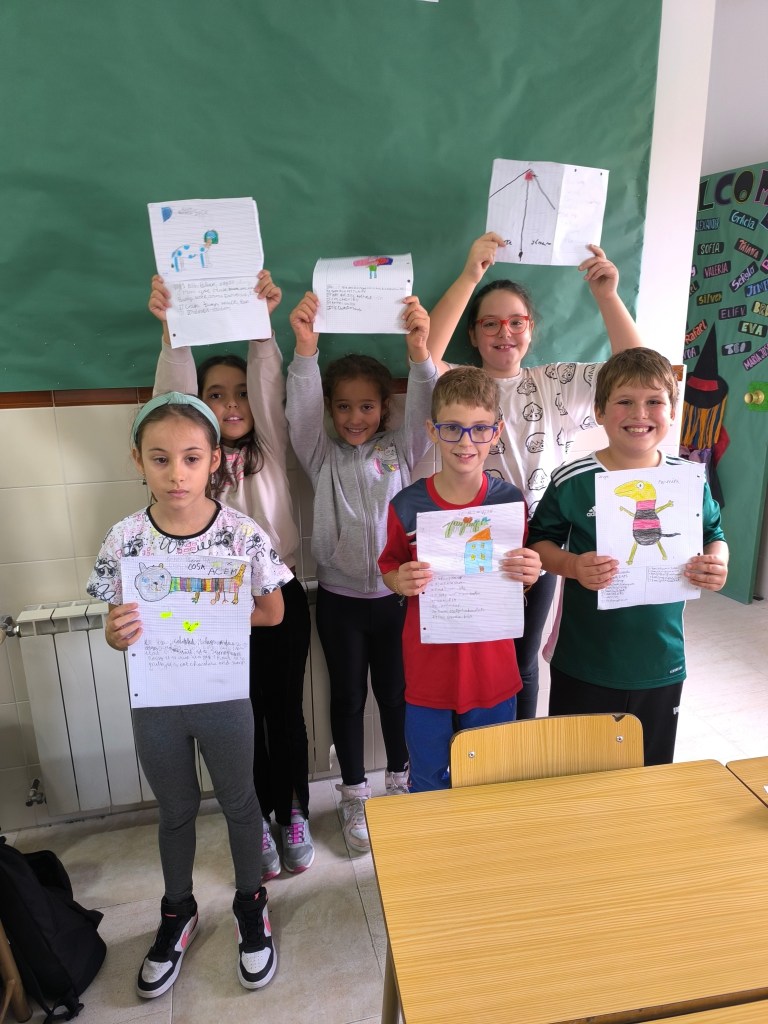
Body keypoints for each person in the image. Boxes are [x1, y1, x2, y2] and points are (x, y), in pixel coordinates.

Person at [86, 392, 292, 996]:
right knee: (174, 810)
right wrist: (117, 633)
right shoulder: (124, 539)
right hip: (157, 701)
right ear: (138, 460)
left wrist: (212, 616)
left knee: (239, 802)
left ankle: (251, 905)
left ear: (214, 462)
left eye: (191, 458)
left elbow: (274, 611)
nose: (176, 474)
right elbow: (115, 626)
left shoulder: (241, 535)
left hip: (222, 695)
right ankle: (178, 909)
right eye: (160, 459)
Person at [426, 233, 644, 719]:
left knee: (523, 663)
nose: (504, 332)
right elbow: (423, 351)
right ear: (473, 334)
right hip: (472, 541)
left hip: (539, 546)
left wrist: (607, 296)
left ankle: (520, 748)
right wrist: (470, 275)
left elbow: (636, 369)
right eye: (490, 323)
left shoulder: (555, 383)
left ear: (531, 328)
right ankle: (477, 746)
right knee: (475, 659)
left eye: (516, 321)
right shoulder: (460, 384)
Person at [149, 271, 313, 878]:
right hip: (211, 605)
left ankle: (291, 811)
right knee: (237, 719)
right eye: (216, 395)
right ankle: (256, 819)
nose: (233, 403)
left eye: (240, 392)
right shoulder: (195, 462)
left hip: (279, 596)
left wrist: (262, 326)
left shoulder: (270, 442)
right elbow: (175, 397)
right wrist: (173, 329)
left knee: (284, 714)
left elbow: (268, 384)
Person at [286, 290, 437, 851]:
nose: (355, 417)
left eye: (367, 406)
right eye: (344, 407)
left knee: (396, 695)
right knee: (347, 698)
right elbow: (302, 412)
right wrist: (306, 351)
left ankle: (399, 781)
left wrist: (419, 353)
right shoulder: (320, 454)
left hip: (397, 600)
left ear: (384, 409)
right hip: (341, 602)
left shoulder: (402, 449)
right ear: (331, 410)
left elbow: (423, 407)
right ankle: (353, 793)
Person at [527, 349, 728, 764]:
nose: (640, 414)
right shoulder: (572, 479)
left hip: (661, 660)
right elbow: (539, 545)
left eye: (654, 401)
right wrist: (572, 566)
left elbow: (714, 535)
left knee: (649, 773)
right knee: (577, 770)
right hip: (584, 660)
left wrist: (717, 562)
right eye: (624, 401)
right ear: (600, 411)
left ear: (672, 411)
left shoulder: (688, 479)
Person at [378, 366, 541, 791]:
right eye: (452, 428)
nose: (466, 442)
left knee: (489, 783)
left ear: (496, 432)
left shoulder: (511, 503)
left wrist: (529, 573)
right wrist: (399, 580)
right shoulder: (406, 506)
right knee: (429, 781)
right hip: (429, 675)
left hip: (492, 673)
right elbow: (389, 567)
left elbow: (517, 579)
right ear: (432, 431)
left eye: (479, 429)